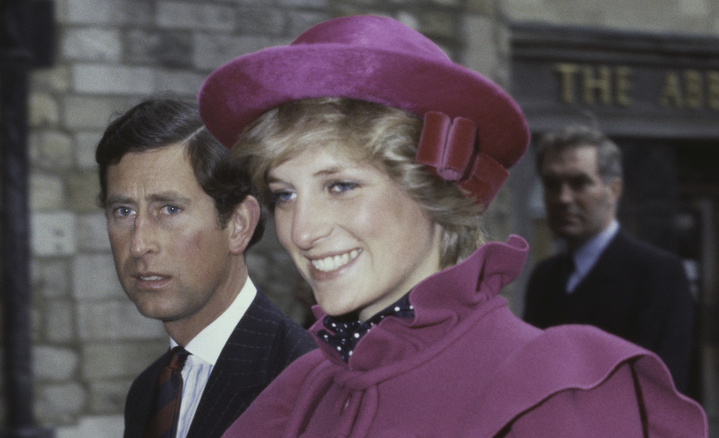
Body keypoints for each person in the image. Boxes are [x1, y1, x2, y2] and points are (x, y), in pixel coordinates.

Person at [197, 15, 707, 437]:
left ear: (434, 192)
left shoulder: (554, 390)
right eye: (284, 195)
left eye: (340, 186)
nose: (301, 231)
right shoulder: (297, 395)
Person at [95, 98, 315, 438]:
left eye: (169, 210)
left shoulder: (305, 381)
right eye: (123, 212)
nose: (139, 244)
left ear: (239, 225)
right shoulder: (146, 392)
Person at [523, 124, 697, 393]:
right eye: (552, 184)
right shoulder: (544, 277)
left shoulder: (658, 274)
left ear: (613, 190)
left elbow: (662, 393)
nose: (563, 198)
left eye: (579, 183)